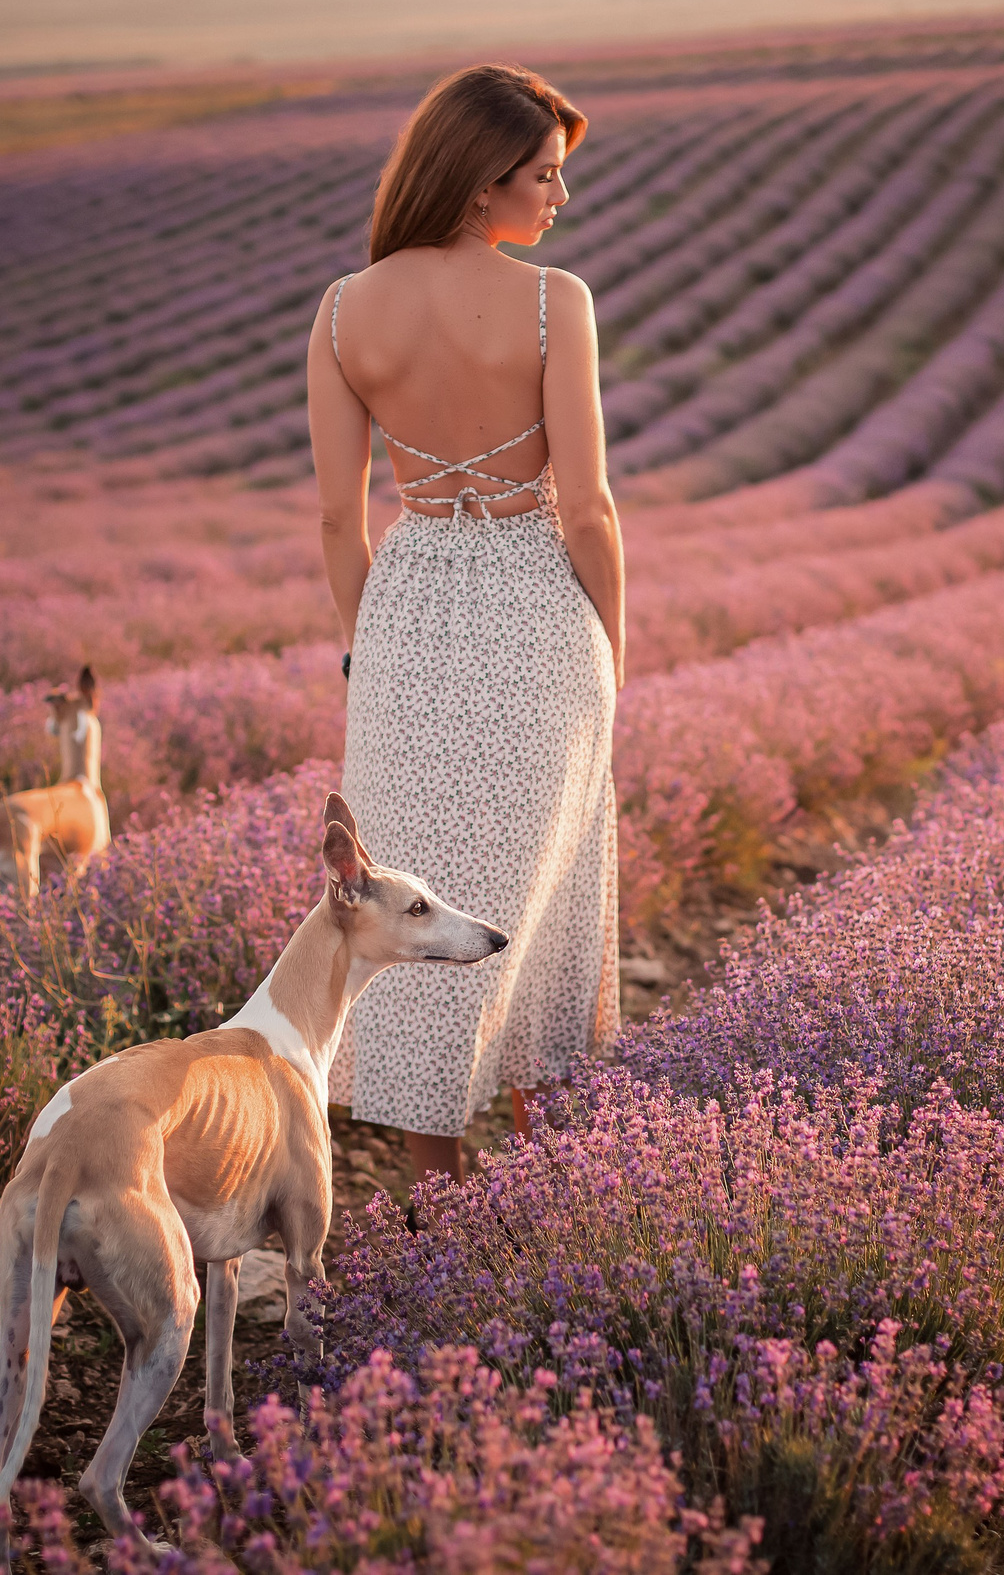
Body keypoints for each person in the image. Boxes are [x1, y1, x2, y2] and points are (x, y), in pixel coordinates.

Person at [305, 63, 625, 1184]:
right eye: (543, 175)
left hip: (404, 621)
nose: (559, 199)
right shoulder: (554, 302)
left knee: (410, 905)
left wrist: (370, 654)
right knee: (546, 893)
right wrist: (611, 650)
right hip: (537, 609)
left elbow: (342, 525)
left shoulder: (344, 309)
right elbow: (584, 507)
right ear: (481, 182)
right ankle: (548, 1186)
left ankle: (435, 1197)